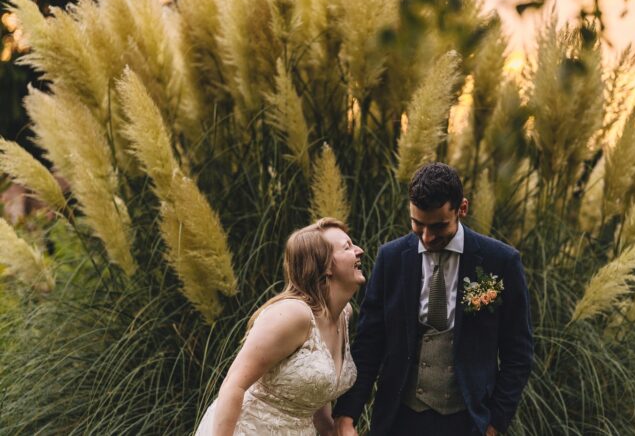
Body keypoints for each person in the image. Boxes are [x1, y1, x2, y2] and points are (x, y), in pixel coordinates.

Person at [333, 162, 533, 436]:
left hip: (468, 421)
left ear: (462, 209)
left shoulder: (501, 262)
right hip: (398, 419)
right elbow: (369, 343)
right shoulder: (390, 258)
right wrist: (346, 415)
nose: (426, 237)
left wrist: (494, 423)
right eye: (418, 224)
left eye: (438, 226)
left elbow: (518, 354)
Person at [195, 217, 365, 436]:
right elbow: (233, 385)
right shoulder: (292, 315)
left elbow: (314, 393)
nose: (359, 250)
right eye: (347, 247)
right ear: (325, 266)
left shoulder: (344, 314)